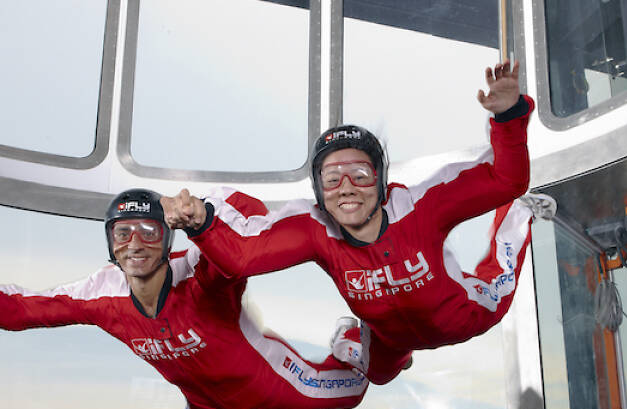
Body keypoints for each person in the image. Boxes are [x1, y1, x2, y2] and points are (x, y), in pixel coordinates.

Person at [163, 60, 548, 385]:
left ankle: (518, 214)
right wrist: (200, 221)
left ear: (380, 181)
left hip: (463, 316)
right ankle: (358, 337)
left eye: (360, 174)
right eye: (332, 178)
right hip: (388, 337)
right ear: (319, 191)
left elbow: (505, 179)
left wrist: (508, 116)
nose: (347, 188)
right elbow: (244, 257)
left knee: (501, 273)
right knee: (379, 377)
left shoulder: (420, 207)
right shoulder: (317, 232)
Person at [0, 189, 368, 409]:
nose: (135, 243)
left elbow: (246, 235)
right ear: (110, 243)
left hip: (268, 382)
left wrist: (203, 219)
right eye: (122, 233)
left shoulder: (196, 273)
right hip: (205, 403)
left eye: (150, 231)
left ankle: (353, 338)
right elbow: (22, 308)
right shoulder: (102, 293)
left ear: (167, 239)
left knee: (353, 392)